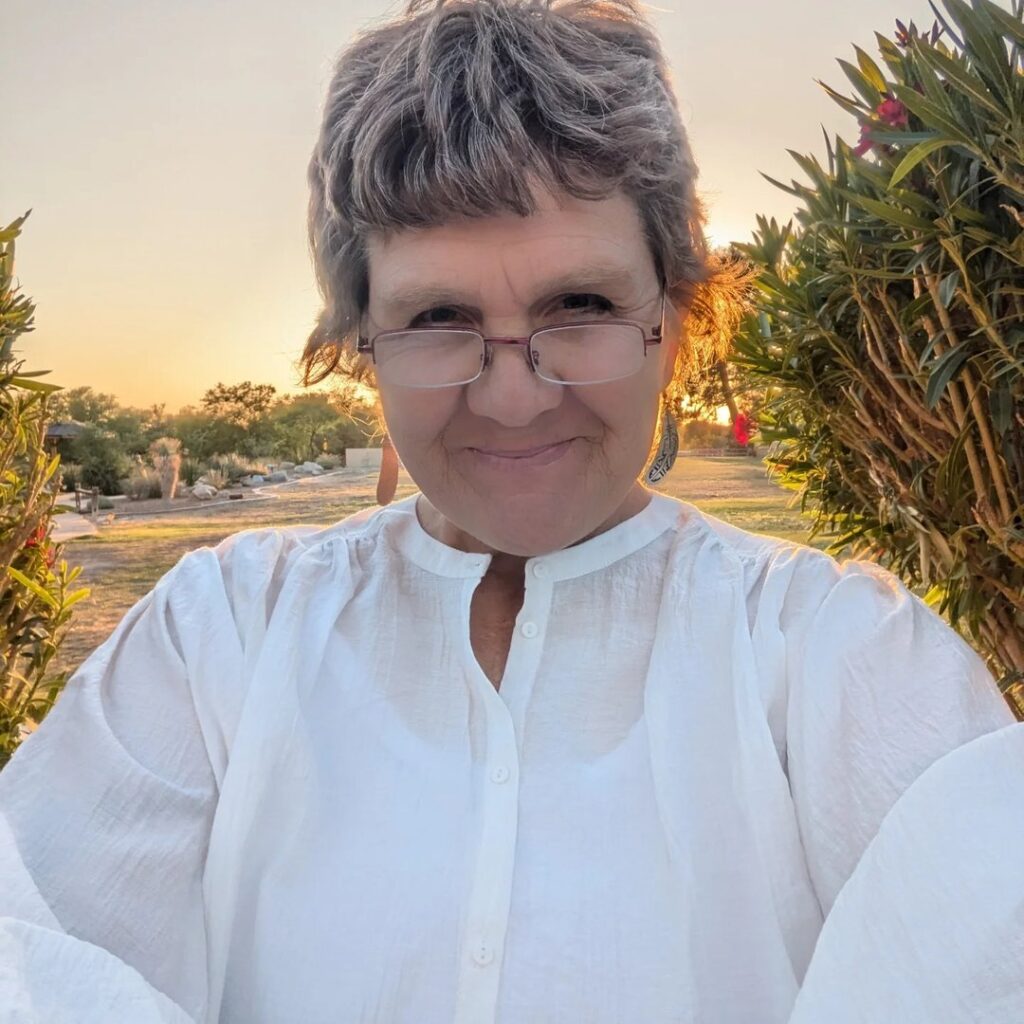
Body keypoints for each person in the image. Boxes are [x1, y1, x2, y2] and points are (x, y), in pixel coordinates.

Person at [1, 1, 1021, 1021]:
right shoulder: (215, 640)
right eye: (437, 317)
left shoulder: (841, 659)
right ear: (363, 345)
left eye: (580, 307)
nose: (515, 397)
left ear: (672, 322)